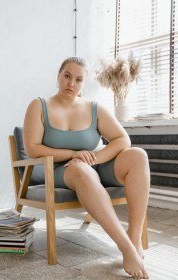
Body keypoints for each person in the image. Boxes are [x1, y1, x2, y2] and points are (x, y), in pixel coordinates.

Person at [23, 57, 150, 279]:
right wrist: (75, 156)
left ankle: (135, 236)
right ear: (58, 76)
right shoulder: (39, 105)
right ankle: (126, 247)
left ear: (84, 83)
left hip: (94, 164)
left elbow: (122, 139)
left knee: (138, 155)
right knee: (81, 170)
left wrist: (94, 159)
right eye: (67, 76)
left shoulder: (94, 108)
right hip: (65, 169)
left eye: (78, 79)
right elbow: (33, 148)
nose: (71, 83)